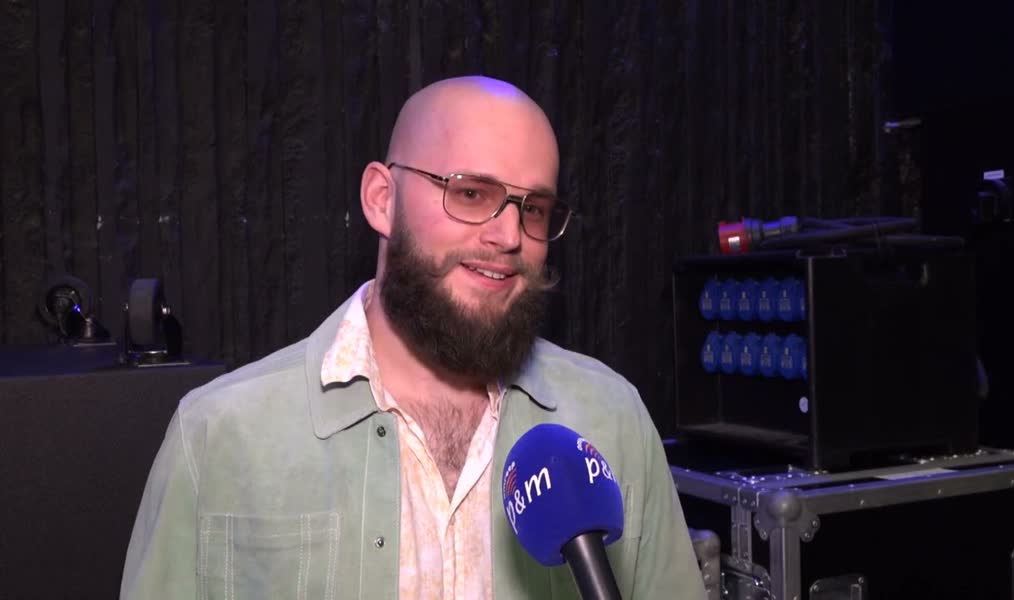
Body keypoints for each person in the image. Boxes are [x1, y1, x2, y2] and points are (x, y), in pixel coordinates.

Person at [120, 75, 706, 599]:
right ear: (382, 199)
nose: (509, 236)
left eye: (533, 209)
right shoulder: (220, 436)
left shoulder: (611, 421)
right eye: (471, 193)